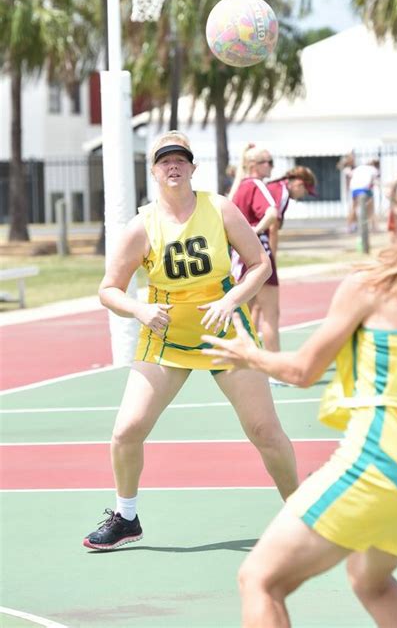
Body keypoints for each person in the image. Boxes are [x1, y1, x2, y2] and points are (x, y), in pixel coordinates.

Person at [202, 167, 397, 628]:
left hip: (378, 462)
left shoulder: (374, 284)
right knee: (372, 582)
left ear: (390, 220)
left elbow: (303, 371)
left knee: (260, 580)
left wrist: (250, 354)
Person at [82, 131, 298, 551]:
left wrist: (232, 298)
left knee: (264, 430)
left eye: (180, 159)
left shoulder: (218, 208)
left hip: (224, 332)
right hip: (166, 337)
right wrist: (140, 309)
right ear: (154, 170)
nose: (173, 166)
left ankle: (302, 514)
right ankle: (126, 517)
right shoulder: (141, 226)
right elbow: (108, 289)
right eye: (165, 161)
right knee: (127, 430)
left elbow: (258, 264)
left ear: (193, 168)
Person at [231, 157, 316, 353]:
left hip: (239, 252)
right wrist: (272, 258)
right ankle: (273, 364)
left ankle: (249, 358)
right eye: (268, 162)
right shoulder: (276, 191)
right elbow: (273, 224)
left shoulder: (245, 185)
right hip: (257, 250)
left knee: (248, 309)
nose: (271, 166)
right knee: (270, 312)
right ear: (298, 183)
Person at [348, 158, 380, 233]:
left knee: (353, 208)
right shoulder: (373, 169)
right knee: (371, 209)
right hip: (365, 189)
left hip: (354, 189)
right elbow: (373, 181)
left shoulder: (358, 168)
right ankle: (374, 227)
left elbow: (350, 175)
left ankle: (349, 227)